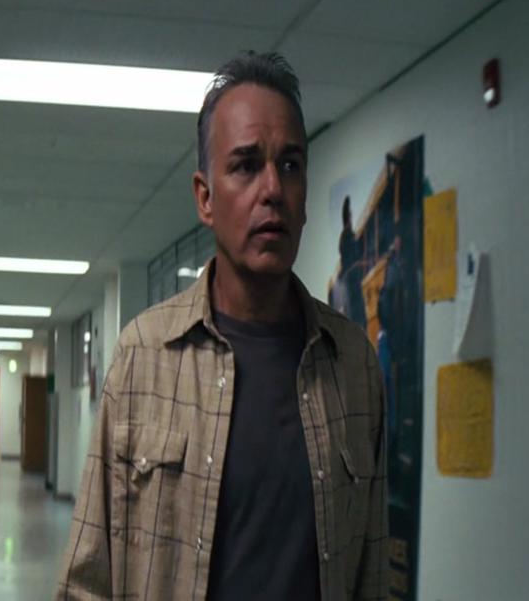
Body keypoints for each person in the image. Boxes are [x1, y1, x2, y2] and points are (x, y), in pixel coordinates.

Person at [56, 51, 387, 600]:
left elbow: (370, 573)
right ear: (205, 198)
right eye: (245, 165)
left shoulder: (353, 364)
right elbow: (86, 578)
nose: (272, 189)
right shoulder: (145, 354)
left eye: (290, 165)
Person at [338, 196, 367, 328]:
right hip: (353, 282)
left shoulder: (345, 236)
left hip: (352, 282)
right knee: (359, 319)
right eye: (350, 214)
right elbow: (353, 258)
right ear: (348, 217)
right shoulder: (348, 235)